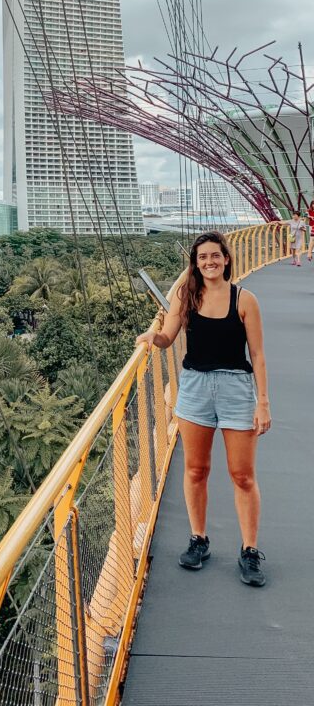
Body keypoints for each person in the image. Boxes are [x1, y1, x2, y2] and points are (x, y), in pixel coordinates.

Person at [136, 231, 271, 587]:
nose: (209, 262)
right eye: (202, 258)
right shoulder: (186, 296)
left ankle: (250, 550)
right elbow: (167, 337)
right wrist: (153, 337)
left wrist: (263, 402)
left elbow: (256, 355)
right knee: (196, 469)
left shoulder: (245, 299)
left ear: (226, 259)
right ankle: (199, 539)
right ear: (195, 264)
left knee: (242, 475)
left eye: (215, 256)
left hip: (236, 389)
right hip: (195, 387)